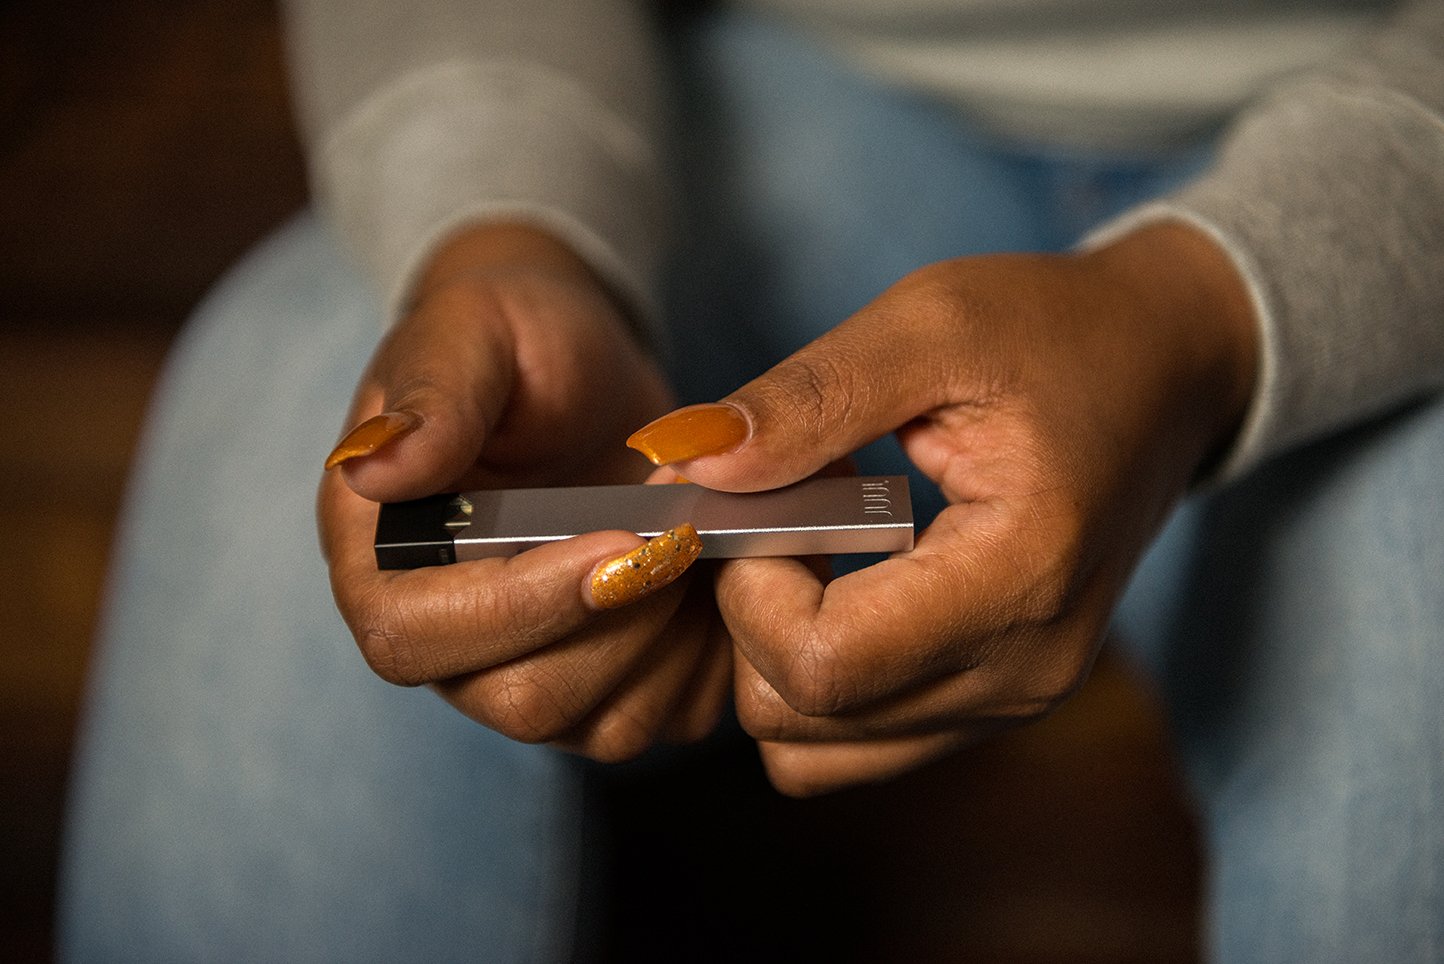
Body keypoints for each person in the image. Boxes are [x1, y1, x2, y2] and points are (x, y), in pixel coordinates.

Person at [60, 0, 1443, 960]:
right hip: (816, 87)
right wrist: (505, 233)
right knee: (310, 379)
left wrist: (1207, 311)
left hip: (1394, 144)